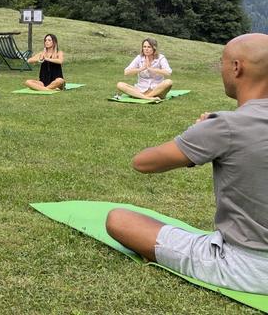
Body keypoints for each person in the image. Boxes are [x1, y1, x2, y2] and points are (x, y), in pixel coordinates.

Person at [105, 33, 268, 293]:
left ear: (237, 68)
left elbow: (143, 162)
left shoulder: (224, 126)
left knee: (119, 219)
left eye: (222, 63)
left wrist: (200, 137)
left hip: (248, 267)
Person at [116, 38, 173, 102]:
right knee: (120, 84)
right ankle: (147, 98)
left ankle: (144, 97)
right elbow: (126, 72)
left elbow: (168, 73)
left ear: (154, 48)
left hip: (157, 91)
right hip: (140, 90)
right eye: (144, 47)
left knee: (169, 82)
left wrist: (152, 69)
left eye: (149, 47)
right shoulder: (139, 58)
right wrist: (141, 68)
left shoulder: (161, 58)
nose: (146, 49)